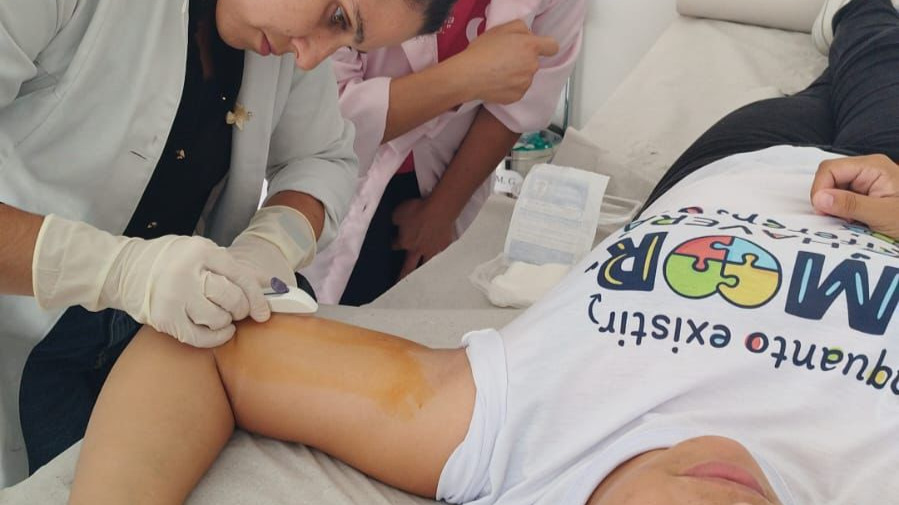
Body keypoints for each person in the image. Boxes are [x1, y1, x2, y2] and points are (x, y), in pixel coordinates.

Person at [65, 0, 899, 503]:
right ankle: (858, 17)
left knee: (824, 89)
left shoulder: (509, 436)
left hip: (716, 187)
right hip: (868, 191)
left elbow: (210, 350)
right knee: (875, 68)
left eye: (340, 23)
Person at [0, 0, 458, 485]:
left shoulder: (285, 44)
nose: (310, 57)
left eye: (347, 42)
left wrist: (272, 244)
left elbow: (321, 158)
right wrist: (119, 272)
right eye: (338, 16)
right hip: (24, 321)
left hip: (163, 339)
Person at [301, 0, 586, 305]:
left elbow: (518, 104)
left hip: (450, 177)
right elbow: (323, 120)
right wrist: (470, 75)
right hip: (338, 177)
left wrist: (443, 209)